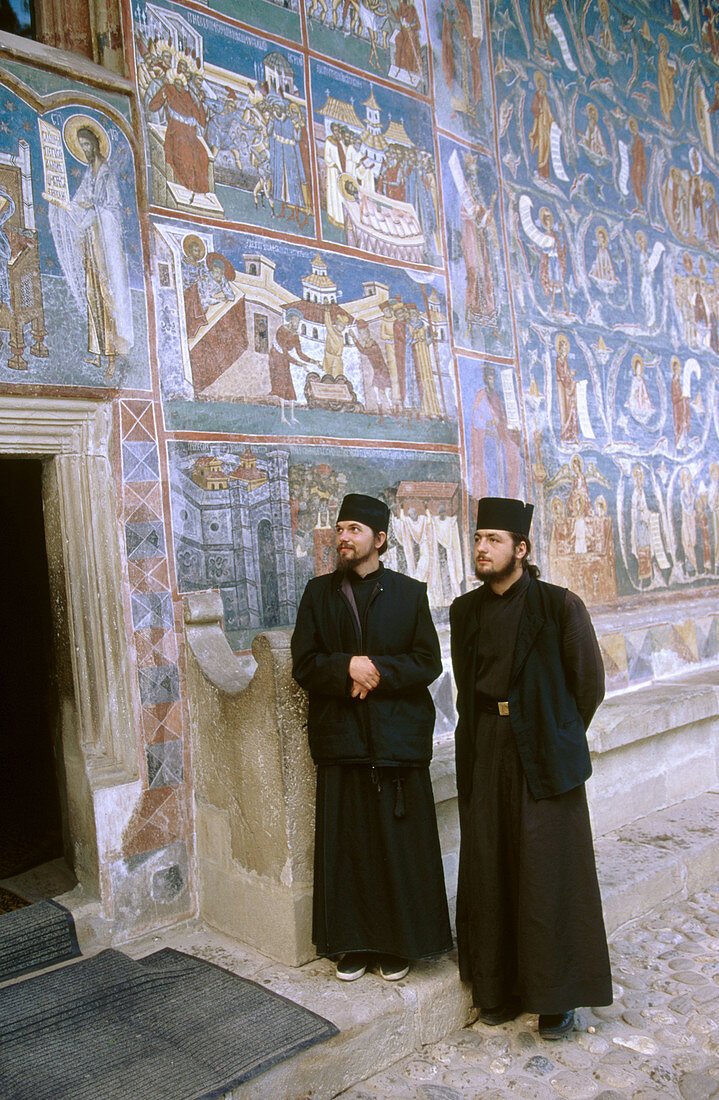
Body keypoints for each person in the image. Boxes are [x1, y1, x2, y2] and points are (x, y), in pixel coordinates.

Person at [450, 496, 612, 1040]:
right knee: (492, 866)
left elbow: (588, 686)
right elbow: (465, 692)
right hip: (487, 748)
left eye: (493, 540)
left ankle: (555, 998)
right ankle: (497, 992)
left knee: (547, 874)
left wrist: (557, 733)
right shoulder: (464, 611)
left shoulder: (559, 606)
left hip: (544, 749)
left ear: (521, 548)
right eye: (478, 539)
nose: (482, 549)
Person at [292, 493, 452, 982]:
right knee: (350, 847)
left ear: (379, 540)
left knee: (397, 846)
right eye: (341, 529)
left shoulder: (409, 593)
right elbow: (304, 663)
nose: (344, 537)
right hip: (342, 741)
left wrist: (375, 670)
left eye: (355, 530)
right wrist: (346, 668)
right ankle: (353, 944)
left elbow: (428, 662)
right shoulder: (318, 595)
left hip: (395, 742)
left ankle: (399, 944)